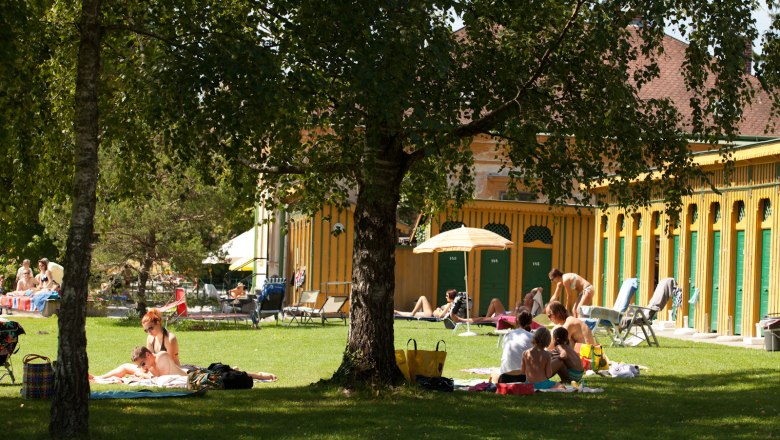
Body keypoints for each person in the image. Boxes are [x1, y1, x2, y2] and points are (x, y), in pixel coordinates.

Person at [492, 306, 534, 384]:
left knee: (494, 372)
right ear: (530, 322)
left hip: (505, 377)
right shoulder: (532, 337)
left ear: (517, 321)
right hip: (524, 377)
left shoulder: (508, 335)